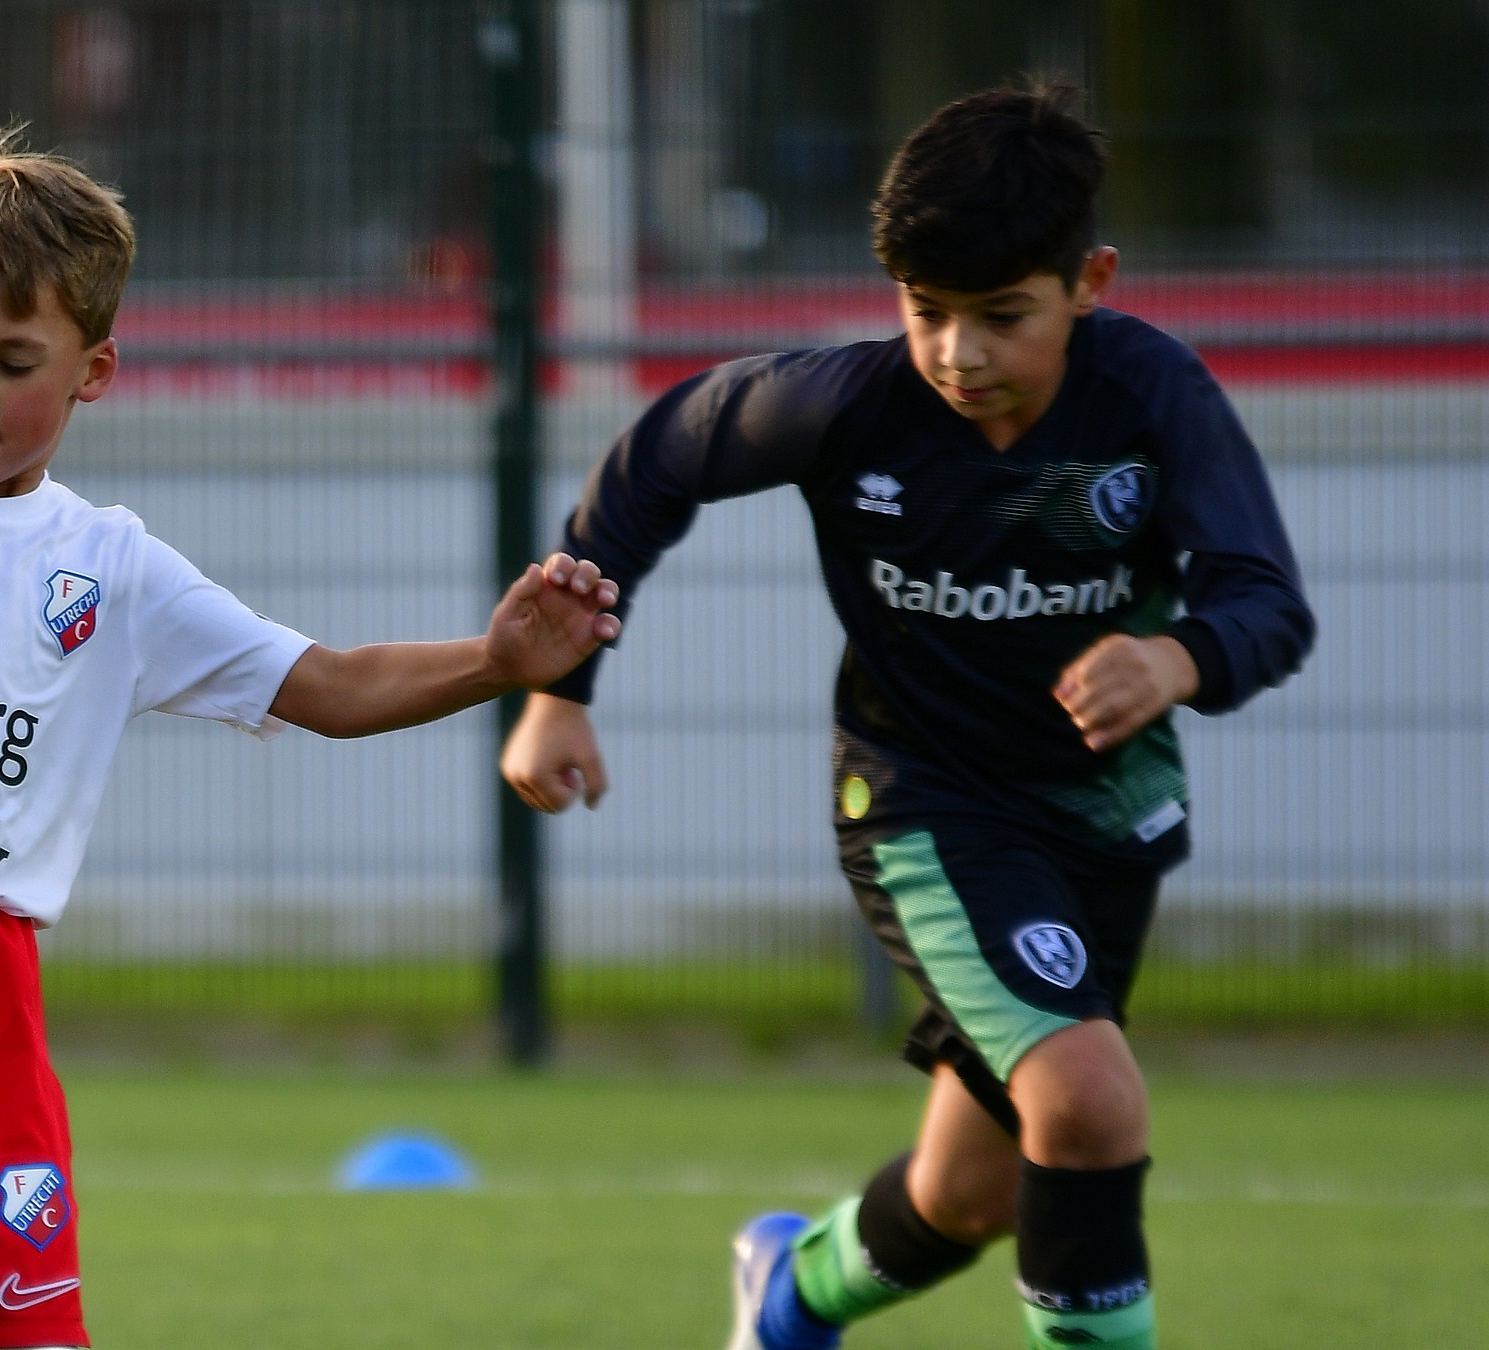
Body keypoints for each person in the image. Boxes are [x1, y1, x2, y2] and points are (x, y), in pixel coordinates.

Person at [0, 132, 624, 1350]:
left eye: (13, 360)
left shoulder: (110, 567)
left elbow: (322, 681)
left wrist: (497, 664)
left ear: (94, 369)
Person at [496, 81, 1315, 1350]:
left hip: (1106, 818)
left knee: (973, 1189)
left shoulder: (1153, 400)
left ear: (1089, 279)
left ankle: (788, 1289)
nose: (958, 355)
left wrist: (1180, 659)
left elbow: (1267, 601)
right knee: (1089, 1101)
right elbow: (659, 458)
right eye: (927, 314)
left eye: (1001, 316)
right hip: (924, 808)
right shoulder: (846, 406)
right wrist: (560, 691)